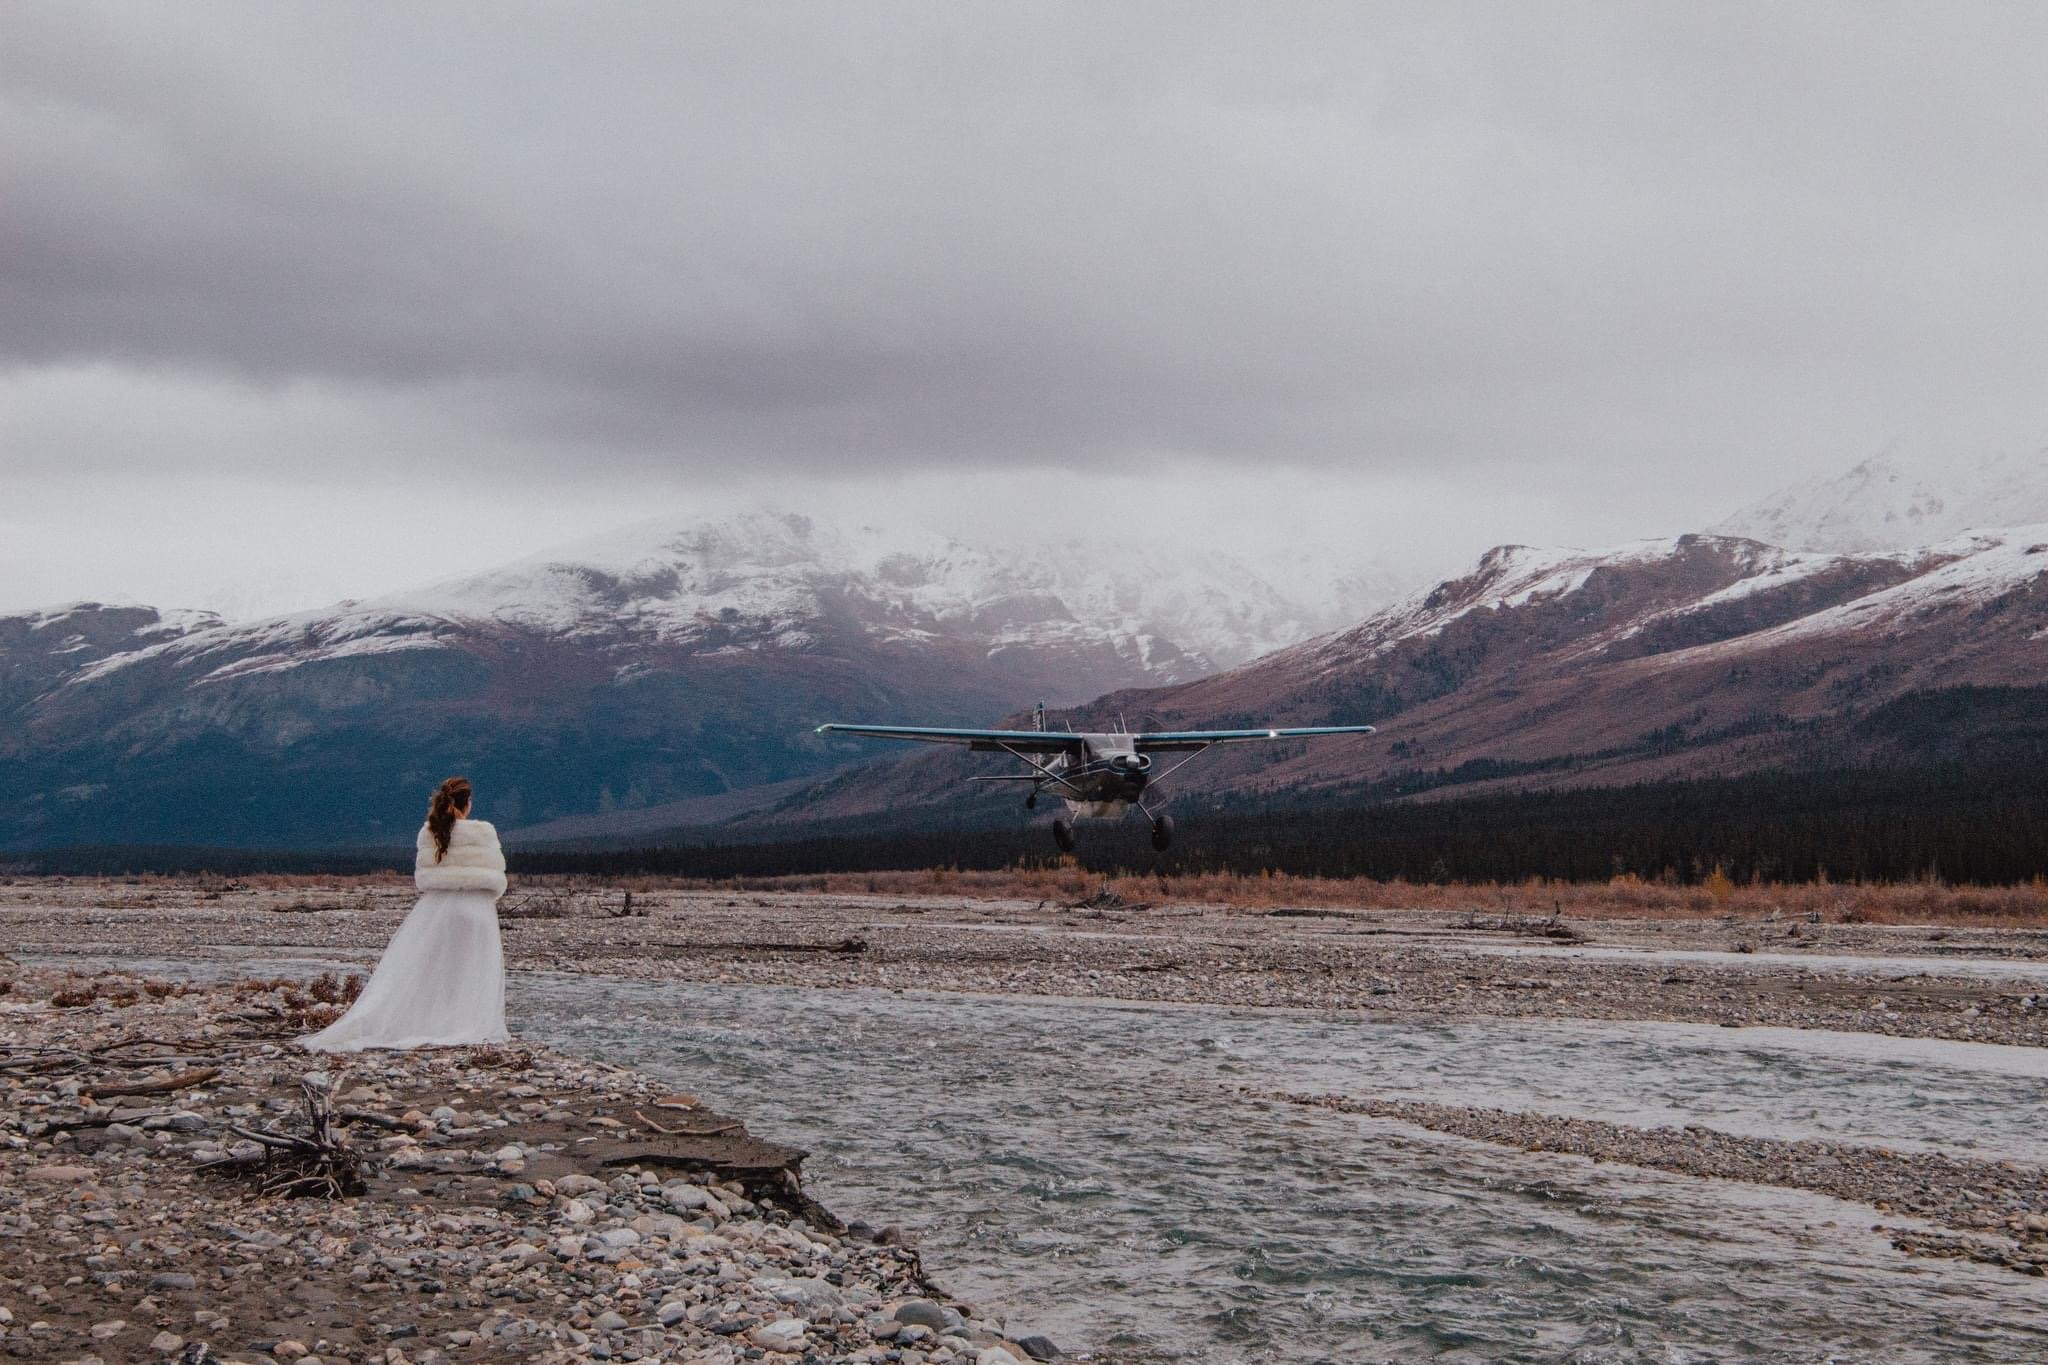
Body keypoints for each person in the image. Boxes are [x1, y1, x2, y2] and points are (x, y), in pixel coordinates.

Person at [302, 776, 511, 1051]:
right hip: (476, 909)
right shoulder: (484, 833)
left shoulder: (430, 831)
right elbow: (495, 873)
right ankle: (463, 1022)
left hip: (437, 907)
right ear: (467, 802)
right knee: (471, 969)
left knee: (434, 968)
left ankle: (429, 1021)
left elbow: (424, 873)